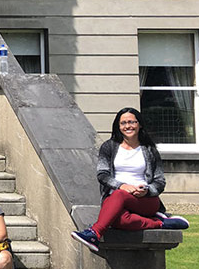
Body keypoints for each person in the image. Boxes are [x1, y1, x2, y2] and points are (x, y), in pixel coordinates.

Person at [71, 107, 189, 253]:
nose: (128, 126)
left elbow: (160, 181)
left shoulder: (150, 149)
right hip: (116, 197)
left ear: (139, 124)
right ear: (118, 127)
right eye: (123, 123)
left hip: (145, 200)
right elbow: (102, 174)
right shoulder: (109, 147)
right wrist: (121, 185)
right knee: (117, 219)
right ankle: (159, 223)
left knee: (117, 198)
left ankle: (94, 233)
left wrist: (146, 191)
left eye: (132, 122)